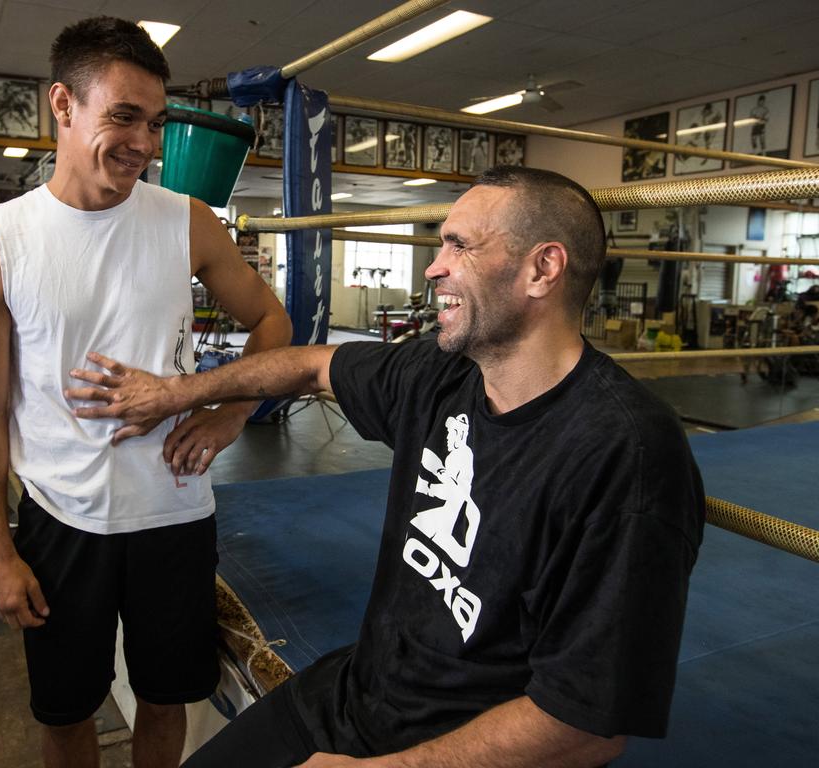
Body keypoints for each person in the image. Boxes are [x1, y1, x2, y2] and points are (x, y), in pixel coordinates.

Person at [67, 166, 707, 768]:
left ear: (543, 269)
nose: (434, 268)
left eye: (460, 247)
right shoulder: (441, 372)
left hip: (455, 750)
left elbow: (586, 726)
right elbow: (312, 364)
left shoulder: (626, 455)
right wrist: (182, 395)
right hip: (354, 695)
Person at [0, 16, 291, 768]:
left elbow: (273, 319)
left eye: (155, 122)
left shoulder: (188, 222)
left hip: (173, 514)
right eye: (124, 117)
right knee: (67, 713)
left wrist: (224, 410)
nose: (145, 142)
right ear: (64, 107)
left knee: (166, 700)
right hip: (60, 522)